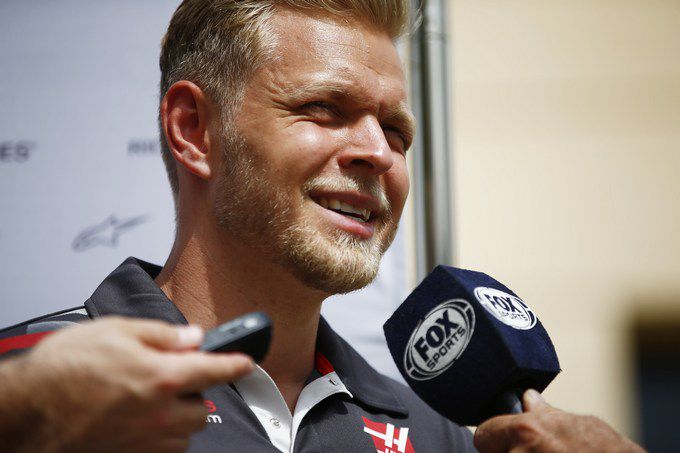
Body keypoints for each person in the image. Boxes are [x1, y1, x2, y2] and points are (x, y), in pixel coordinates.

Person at [0, 0, 645, 452]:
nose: (378, 153)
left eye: (396, 131)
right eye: (324, 109)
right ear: (194, 130)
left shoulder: (438, 435)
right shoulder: (29, 389)